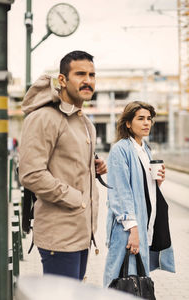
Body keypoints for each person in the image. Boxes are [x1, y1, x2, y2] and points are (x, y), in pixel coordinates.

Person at [19, 50, 107, 280]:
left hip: (81, 232)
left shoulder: (85, 122)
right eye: (80, 74)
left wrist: (93, 166)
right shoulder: (44, 118)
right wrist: (76, 198)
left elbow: (67, 162)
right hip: (59, 235)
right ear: (62, 80)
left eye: (92, 75)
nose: (88, 80)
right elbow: (31, 174)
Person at [103, 101, 175, 288]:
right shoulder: (120, 150)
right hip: (127, 228)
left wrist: (157, 182)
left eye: (149, 119)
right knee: (118, 280)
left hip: (143, 223)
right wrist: (133, 230)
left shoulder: (146, 150)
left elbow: (143, 187)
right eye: (140, 118)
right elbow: (119, 192)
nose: (146, 123)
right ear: (128, 123)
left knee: (136, 281)